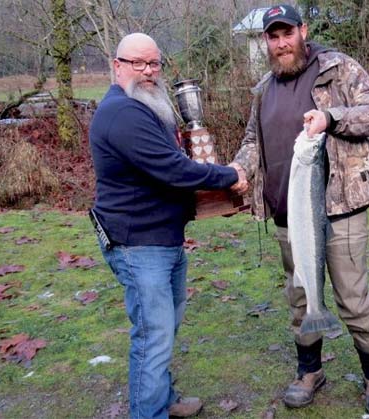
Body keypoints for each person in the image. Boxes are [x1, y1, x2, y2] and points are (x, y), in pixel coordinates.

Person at [229, 4, 369, 415]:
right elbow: (253, 141)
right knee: (301, 298)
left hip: (340, 210)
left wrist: (330, 116)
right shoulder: (265, 86)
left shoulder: (337, 68)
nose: (281, 42)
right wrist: (237, 168)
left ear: (303, 30)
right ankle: (310, 371)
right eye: (273, 36)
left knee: (353, 298)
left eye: (288, 33)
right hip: (287, 212)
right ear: (266, 40)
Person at [89, 33, 245, 419]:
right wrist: (228, 176)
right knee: (153, 335)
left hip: (161, 240)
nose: (148, 71)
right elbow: (172, 170)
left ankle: (162, 398)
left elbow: (172, 163)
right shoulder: (122, 113)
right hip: (138, 244)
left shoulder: (144, 108)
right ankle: (150, 412)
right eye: (138, 63)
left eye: (154, 63)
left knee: (163, 330)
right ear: (118, 65)